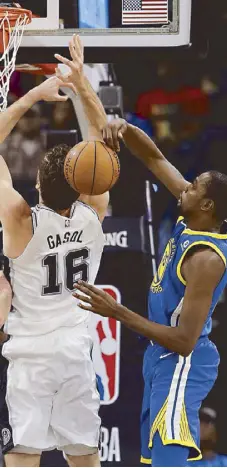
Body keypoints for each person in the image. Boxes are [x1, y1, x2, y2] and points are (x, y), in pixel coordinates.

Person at [74, 119, 227, 467]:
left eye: (193, 188)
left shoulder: (206, 259)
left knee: (168, 461)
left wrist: (116, 312)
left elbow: (184, 341)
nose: (184, 188)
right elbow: (155, 159)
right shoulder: (193, 217)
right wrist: (124, 128)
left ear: (208, 207)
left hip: (181, 362)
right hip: (159, 360)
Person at [0, 35, 110, 468]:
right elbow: (101, 145)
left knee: (24, 455)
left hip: (31, 357)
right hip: (75, 350)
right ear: (84, 183)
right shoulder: (92, 215)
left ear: (39, 187)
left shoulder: (21, 220)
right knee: (84, 455)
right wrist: (81, 84)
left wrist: (34, 94)